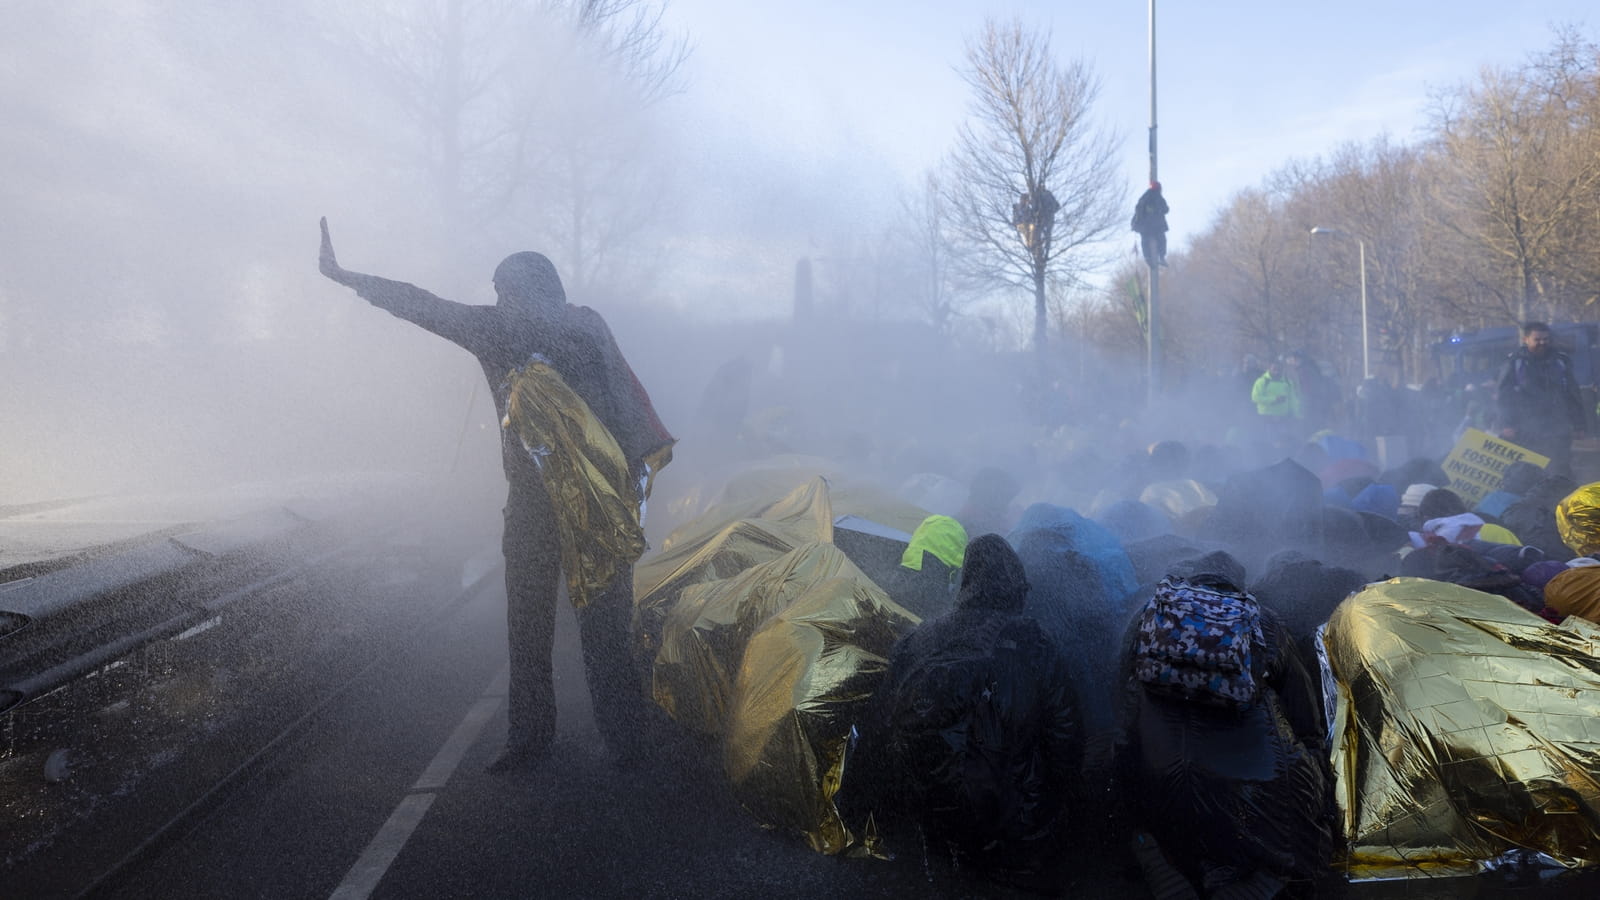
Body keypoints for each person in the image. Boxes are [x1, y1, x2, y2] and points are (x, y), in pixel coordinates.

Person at [317, 219, 674, 773]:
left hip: (534, 508)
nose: (497, 296)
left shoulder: (497, 328)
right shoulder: (588, 326)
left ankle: (529, 741)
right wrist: (632, 487)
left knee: (528, 629)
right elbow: (629, 403)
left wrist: (347, 277)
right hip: (601, 508)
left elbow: (420, 304)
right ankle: (626, 745)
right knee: (605, 629)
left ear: (513, 289)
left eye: (500, 287)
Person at [843, 535, 1082, 891]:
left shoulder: (918, 638)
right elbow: (1065, 738)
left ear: (965, 582)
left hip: (934, 817)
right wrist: (1061, 805)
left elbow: (880, 725)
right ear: (1016, 585)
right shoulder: (1033, 641)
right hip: (1015, 823)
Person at [1496, 322, 1587, 478]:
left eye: (1545, 339)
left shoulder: (1561, 361)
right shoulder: (1514, 362)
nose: (1542, 343)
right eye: (1537, 339)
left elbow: (1572, 394)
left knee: (1560, 469)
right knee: (1529, 471)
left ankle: (1560, 500)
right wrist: (1506, 424)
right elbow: (1504, 396)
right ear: (1526, 339)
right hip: (1525, 428)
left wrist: (1579, 424)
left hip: (1558, 427)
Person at [1131, 181, 1169, 268]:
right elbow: (1166, 209)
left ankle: (1147, 257)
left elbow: (1138, 211)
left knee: (1145, 241)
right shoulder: (1158, 197)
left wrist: (1136, 223)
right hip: (1156, 225)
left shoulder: (1144, 198)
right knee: (1161, 239)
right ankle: (1161, 257)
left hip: (1144, 226)